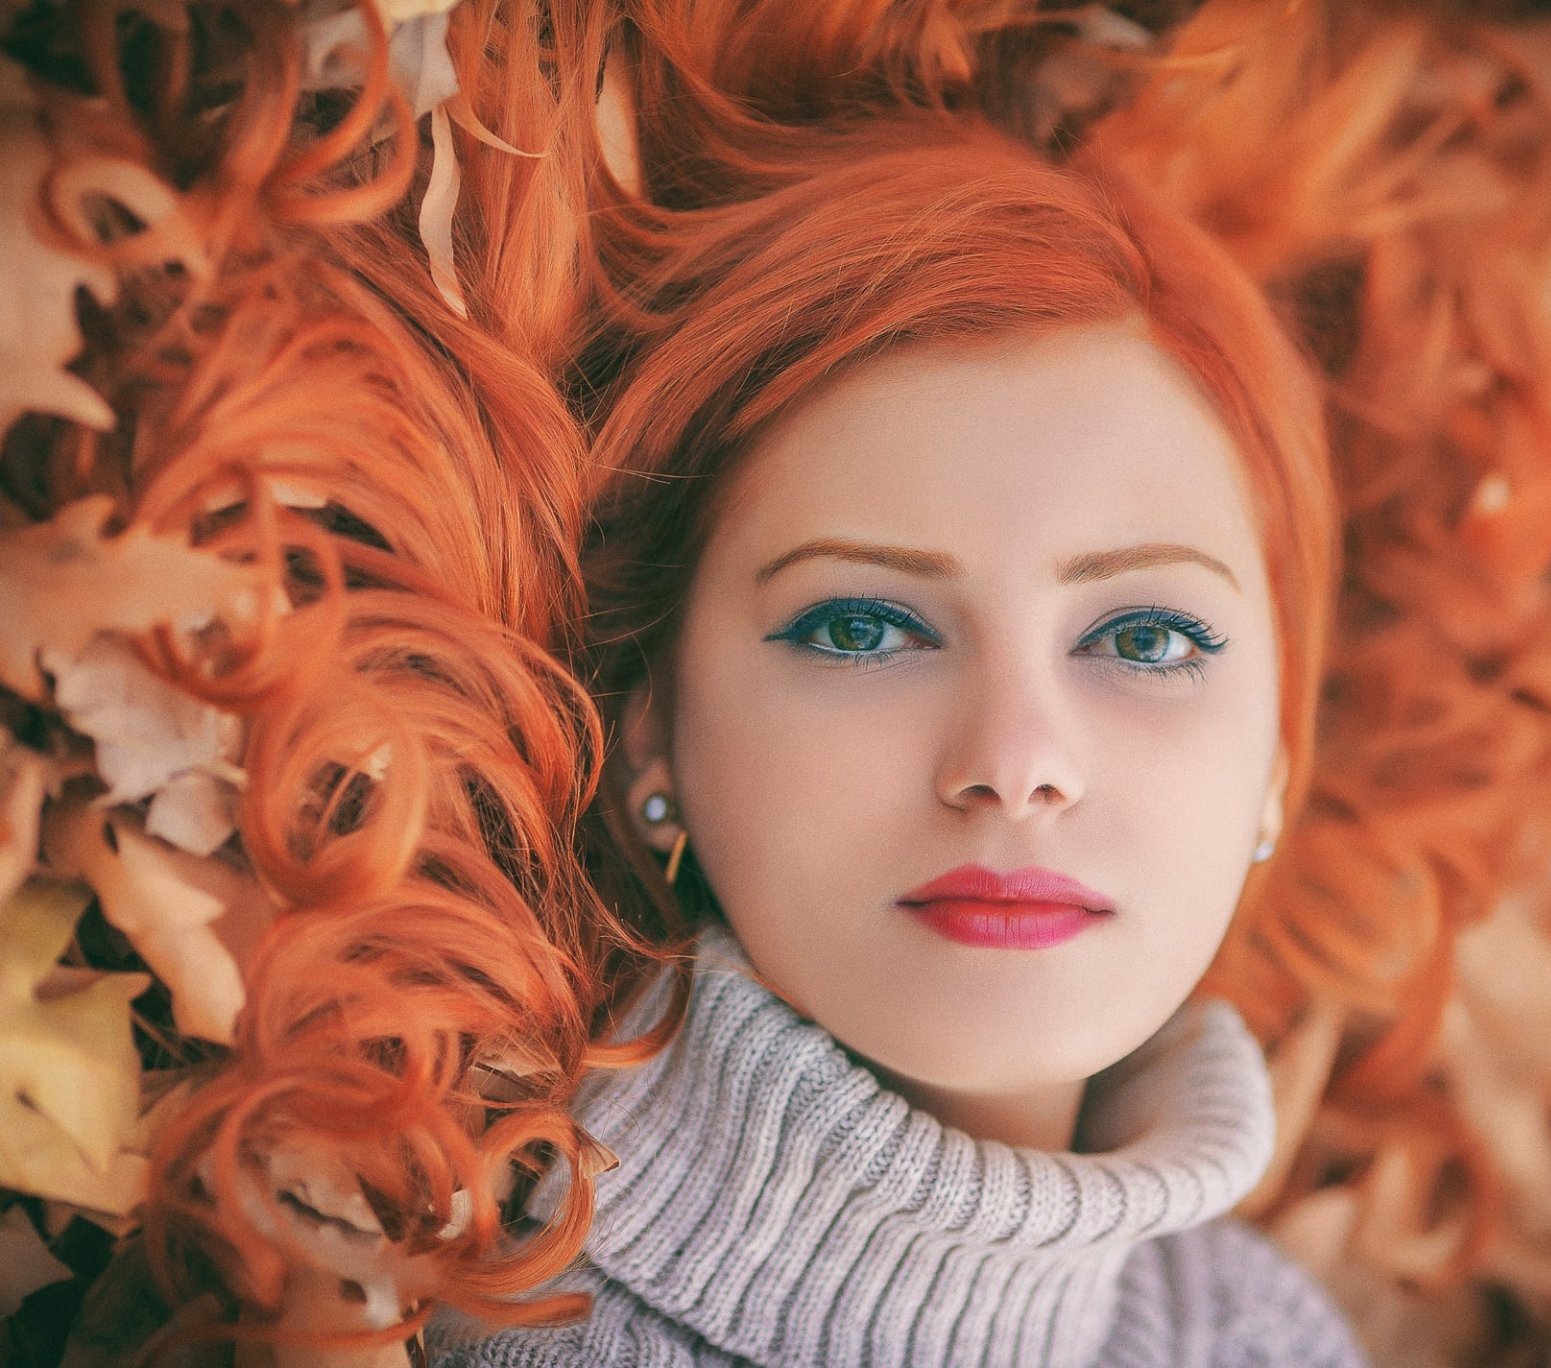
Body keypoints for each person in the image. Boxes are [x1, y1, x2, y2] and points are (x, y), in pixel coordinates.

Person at [424, 79, 1369, 1367]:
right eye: (864, 628)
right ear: (651, 732)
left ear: (1278, 760)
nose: (1016, 762)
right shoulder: (459, 1317)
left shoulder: (1262, 1336)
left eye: (1145, 639)